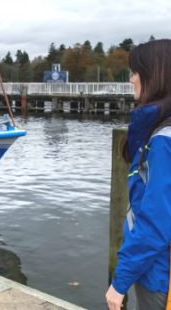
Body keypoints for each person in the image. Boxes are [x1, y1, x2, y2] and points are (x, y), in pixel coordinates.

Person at [106, 39, 171, 310]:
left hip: (160, 274)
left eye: (135, 72)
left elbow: (156, 221)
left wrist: (119, 283)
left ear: (154, 75)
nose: (131, 79)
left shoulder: (163, 141)